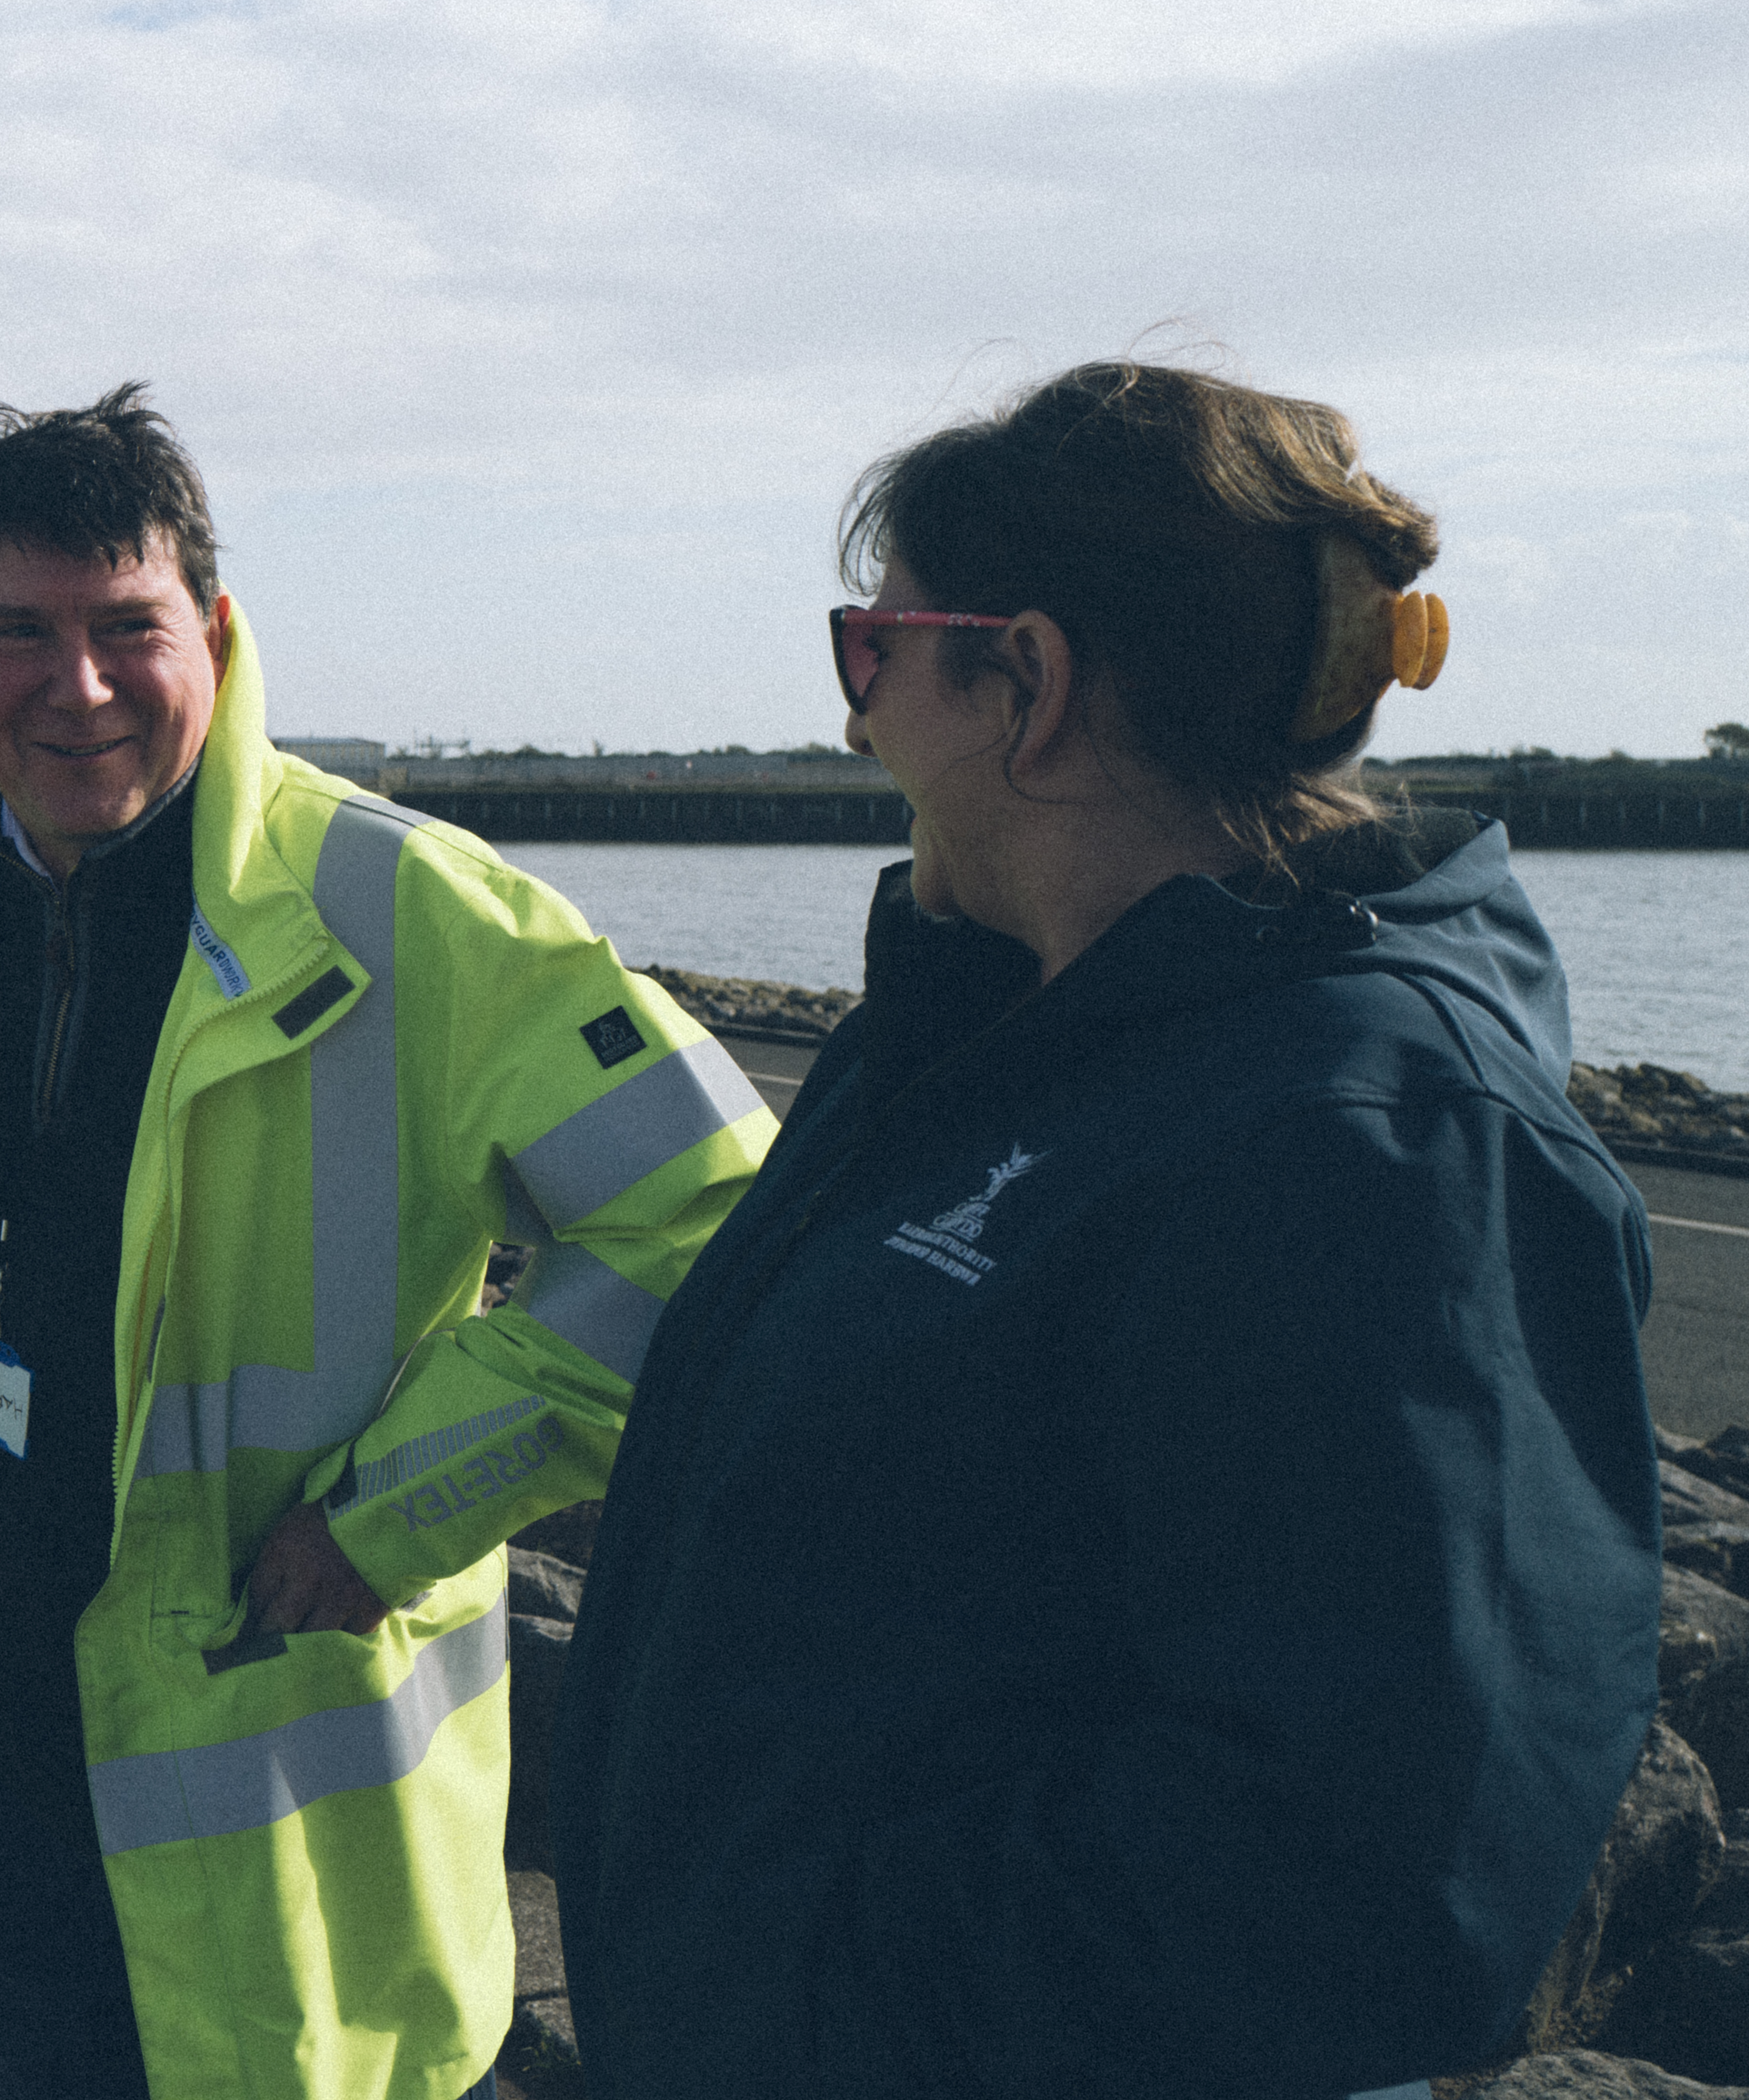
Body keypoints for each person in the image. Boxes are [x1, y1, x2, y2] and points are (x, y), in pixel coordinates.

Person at [547, 360, 1661, 2100]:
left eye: (873, 648)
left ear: (1027, 681)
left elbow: (1378, 1859)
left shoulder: (1365, 1138)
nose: (854, 716)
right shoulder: (984, 1028)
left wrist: (806, 2012)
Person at [0, 387, 775, 2100]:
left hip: (277, 1745)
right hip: (23, 1712)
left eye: (129, 627)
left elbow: (711, 1215)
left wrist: (394, 1502)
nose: (76, 683)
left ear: (218, 631)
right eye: (16, 629)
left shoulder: (404, 905)